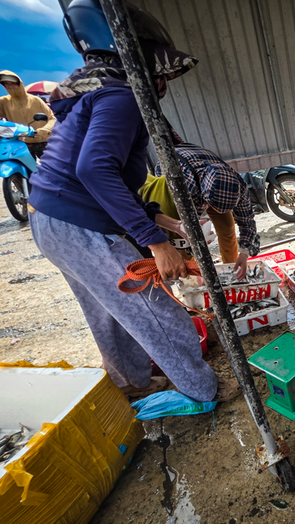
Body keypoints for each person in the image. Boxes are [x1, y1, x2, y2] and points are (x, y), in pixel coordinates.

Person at [27, 0, 227, 402]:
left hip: (51, 220)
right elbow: (95, 173)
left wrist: (165, 223)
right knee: (156, 311)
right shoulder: (122, 96)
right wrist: (157, 244)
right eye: (162, 73)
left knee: (109, 309)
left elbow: (109, 181)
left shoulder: (93, 95)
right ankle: (204, 391)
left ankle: (133, 382)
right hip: (79, 223)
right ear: (143, 65)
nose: (164, 83)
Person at [139, 143, 260, 276]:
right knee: (186, 238)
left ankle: (231, 269)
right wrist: (196, 237)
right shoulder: (185, 188)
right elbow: (182, 227)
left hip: (204, 169)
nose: (219, 211)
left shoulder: (238, 185)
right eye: (214, 206)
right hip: (176, 168)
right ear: (204, 196)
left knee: (227, 226)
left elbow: (247, 221)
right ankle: (194, 274)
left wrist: (244, 253)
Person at [0, 71, 56, 159]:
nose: (10, 86)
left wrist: (45, 130)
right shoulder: (4, 101)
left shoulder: (36, 100)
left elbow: (52, 118)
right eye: (7, 84)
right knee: (24, 169)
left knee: (52, 169)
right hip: (20, 142)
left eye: (13, 83)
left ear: (19, 83)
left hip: (43, 140)